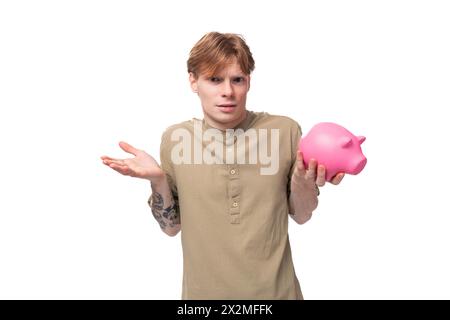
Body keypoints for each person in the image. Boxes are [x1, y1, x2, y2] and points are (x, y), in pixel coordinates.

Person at [100, 32, 344, 300]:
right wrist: (157, 180)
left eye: (237, 79)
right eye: (214, 79)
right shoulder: (176, 139)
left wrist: (303, 180)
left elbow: (302, 215)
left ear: (248, 82)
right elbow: (171, 228)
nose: (227, 91)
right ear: (193, 81)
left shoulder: (284, 131)